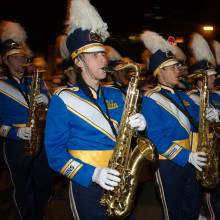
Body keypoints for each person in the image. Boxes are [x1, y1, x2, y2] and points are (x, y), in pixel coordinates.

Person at [44, 0, 146, 219]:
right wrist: (93, 174)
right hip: (87, 186)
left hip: (122, 179)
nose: (103, 59)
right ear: (79, 62)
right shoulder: (63, 98)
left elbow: (124, 136)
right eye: (95, 55)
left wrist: (138, 126)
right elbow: (54, 155)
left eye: (103, 53)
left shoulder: (115, 93)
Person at [139, 30, 218, 220]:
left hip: (193, 160)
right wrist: (186, 156)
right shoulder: (152, 98)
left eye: (177, 67)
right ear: (160, 71)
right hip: (169, 164)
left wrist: (212, 116)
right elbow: (156, 137)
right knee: (174, 213)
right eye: (173, 67)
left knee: (191, 209)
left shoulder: (183, 96)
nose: (178, 70)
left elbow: (197, 124)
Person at [0, 21, 52, 220]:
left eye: (22, 55)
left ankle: (39, 214)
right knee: (22, 188)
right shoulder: (1, 86)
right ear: (6, 60)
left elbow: (52, 106)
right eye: (15, 57)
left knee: (45, 184)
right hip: (15, 144)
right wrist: (14, 132)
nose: (21, 59)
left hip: (40, 140)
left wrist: (46, 100)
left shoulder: (36, 81)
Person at [187, 34, 220, 220]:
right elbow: (193, 124)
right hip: (205, 152)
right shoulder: (191, 98)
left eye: (214, 75)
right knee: (211, 198)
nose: (214, 79)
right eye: (210, 76)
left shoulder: (217, 96)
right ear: (199, 79)